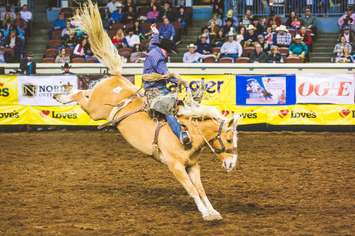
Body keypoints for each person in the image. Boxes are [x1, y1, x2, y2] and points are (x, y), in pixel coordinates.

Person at [142, 24, 191, 148]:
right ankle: (181, 134)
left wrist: (156, 32)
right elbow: (166, 74)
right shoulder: (159, 59)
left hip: (153, 85)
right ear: (165, 50)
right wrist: (179, 81)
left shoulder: (153, 49)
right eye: (169, 53)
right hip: (155, 88)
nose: (168, 55)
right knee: (168, 108)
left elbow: (153, 41)